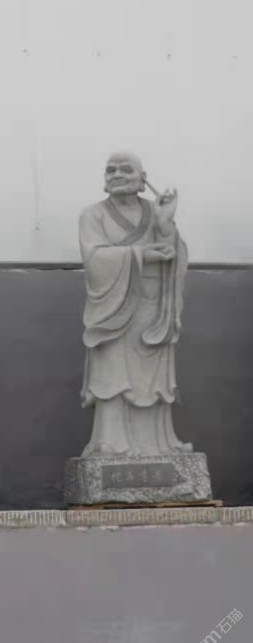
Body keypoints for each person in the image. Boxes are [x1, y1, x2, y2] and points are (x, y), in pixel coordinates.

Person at [79, 151, 191, 457]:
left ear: (143, 178)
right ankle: (111, 443)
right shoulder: (93, 215)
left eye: (125, 170)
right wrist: (142, 255)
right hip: (114, 310)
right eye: (110, 170)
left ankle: (158, 445)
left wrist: (166, 226)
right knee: (115, 380)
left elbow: (175, 255)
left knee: (152, 383)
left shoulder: (155, 212)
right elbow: (94, 260)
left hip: (153, 310)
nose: (116, 175)